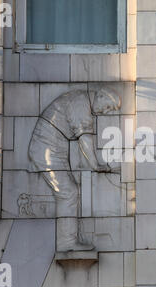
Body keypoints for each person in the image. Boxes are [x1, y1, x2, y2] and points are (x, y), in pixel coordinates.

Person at [28, 88, 120, 251]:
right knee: (68, 192)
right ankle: (66, 243)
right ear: (100, 95)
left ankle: (68, 239)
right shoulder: (80, 103)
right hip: (47, 147)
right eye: (107, 107)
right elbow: (84, 140)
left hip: (54, 147)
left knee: (69, 191)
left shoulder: (81, 101)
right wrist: (96, 166)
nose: (105, 112)